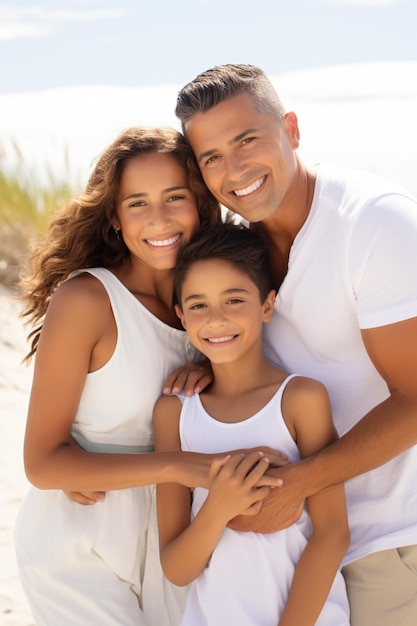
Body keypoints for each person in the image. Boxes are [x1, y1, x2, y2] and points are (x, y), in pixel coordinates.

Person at [173, 64, 417, 626]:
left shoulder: (374, 223)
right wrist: (202, 364)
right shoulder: (239, 249)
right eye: (211, 157)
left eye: (247, 141)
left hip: (386, 538)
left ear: (291, 129)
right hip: (289, 549)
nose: (233, 170)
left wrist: (298, 483)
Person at [14, 125, 226, 626]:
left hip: (176, 538)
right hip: (82, 541)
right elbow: (43, 464)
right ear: (114, 216)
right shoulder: (88, 300)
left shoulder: (210, 309)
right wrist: (177, 466)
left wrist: (213, 367)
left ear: (200, 202)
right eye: (137, 203)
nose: (159, 219)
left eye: (176, 197)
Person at [154, 222, 350, 625]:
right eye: (197, 305)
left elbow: (333, 534)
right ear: (181, 315)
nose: (215, 319)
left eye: (233, 300)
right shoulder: (175, 413)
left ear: (266, 305)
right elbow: (176, 569)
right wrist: (219, 508)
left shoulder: (301, 400)